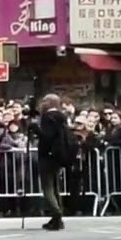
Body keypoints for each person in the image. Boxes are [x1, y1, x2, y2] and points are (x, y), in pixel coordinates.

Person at [35, 93, 73, 231]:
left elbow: (47, 136)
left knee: (48, 187)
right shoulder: (62, 117)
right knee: (56, 186)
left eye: (45, 101)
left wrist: (36, 129)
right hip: (58, 155)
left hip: (47, 155)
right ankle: (57, 217)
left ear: (50, 103)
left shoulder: (48, 117)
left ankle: (56, 212)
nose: (42, 103)